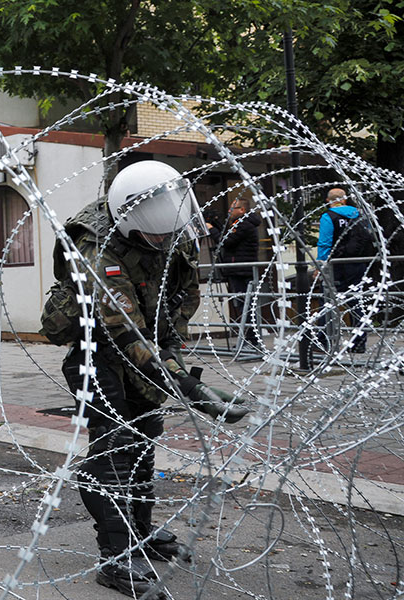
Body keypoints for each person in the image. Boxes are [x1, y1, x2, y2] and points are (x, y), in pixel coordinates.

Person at [40, 160, 248, 599]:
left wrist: (171, 353)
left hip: (149, 351)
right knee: (114, 452)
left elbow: (185, 295)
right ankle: (115, 558)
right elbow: (125, 331)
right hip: (99, 352)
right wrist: (189, 387)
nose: (165, 243)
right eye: (156, 238)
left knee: (144, 440)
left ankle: (140, 533)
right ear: (130, 222)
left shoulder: (169, 222)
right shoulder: (95, 247)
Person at [315, 188, 369, 353]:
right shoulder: (359, 215)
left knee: (327, 300)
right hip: (357, 264)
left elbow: (324, 244)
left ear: (328, 201)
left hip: (336, 265)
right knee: (356, 301)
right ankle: (359, 342)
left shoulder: (329, 216)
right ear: (344, 199)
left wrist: (321, 265)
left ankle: (323, 340)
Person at [206, 197, 262, 347]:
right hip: (238, 269)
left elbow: (227, 241)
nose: (229, 211)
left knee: (246, 305)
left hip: (242, 270)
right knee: (243, 305)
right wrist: (216, 225)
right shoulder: (240, 223)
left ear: (242, 210)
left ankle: (252, 340)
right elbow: (228, 236)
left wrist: (211, 229)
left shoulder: (244, 224)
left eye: (233, 208)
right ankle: (248, 338)